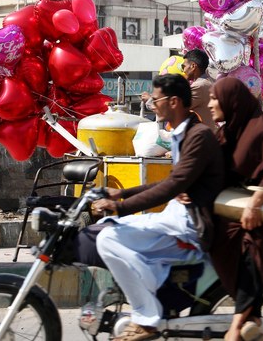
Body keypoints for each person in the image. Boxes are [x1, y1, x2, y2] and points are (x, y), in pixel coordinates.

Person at [91, 74, 225, 341]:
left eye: (156, 100)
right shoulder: (181, 133)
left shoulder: (197, 136)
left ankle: (146, 316)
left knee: (107, 237)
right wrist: (122, 193)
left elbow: (173, 185)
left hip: (189, 228)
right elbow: (172, 182)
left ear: (173, 102)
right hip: (175, 218)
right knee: (106, 232)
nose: (152, 105)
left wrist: (120, 207)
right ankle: (150, 293)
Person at [207, 77, 263, 341]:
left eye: (216, 98)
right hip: (240, 209)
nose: (212, 104)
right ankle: (251, 314)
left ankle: (239, 324)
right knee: (215, 236)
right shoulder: (228, 131)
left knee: (250, 246)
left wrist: (254, 204)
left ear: (231, 101)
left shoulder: (260, 129)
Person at [182, 49, 217, 132]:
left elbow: (178, 108)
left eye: (184, 66)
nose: (183, 70)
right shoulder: (210, 81)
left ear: (193, 66)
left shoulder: (199, 86)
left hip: (200, 139)